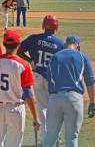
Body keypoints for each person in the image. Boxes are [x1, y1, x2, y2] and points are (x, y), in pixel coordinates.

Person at [0, 30, 41, 147]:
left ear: (4, 44)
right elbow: (28, 93)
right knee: (14, 144)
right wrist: (35, 116)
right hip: (16, 108)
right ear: (18, 45)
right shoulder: (23, 65)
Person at [17, 14, 65, 142]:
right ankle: (56, 137)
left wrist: (30, 60)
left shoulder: (34, 38)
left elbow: (19, 51)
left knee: (42, 107)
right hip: (52, 79)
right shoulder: (60, 43)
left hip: (37, 76)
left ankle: (46, 138)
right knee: (54, 108)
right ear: (56, 27)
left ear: (43, 25)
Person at [43, 34, 95, 147]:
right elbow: (90, 81)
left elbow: (48, 78)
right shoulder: (82, 56)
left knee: (51, 135)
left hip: (54, 99)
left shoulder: (55, 56)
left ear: (65, 44)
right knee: (72, 137)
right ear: (78, 46)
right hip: (73, 99)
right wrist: (92, 102)